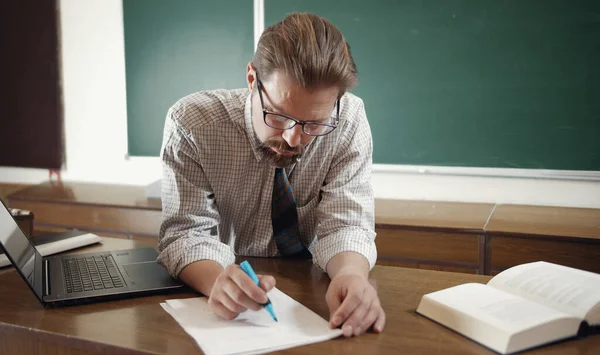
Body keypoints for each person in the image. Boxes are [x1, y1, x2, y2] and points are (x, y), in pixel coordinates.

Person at [158, 12, 385, 337]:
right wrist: (216, 280)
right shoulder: (193, 125)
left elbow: (346, 225)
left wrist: (351, 275)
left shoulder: (347, 121)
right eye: (279, 116)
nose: (294, 139)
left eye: (315, 123)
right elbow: (185, 234)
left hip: (312, 291)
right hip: (226, 293)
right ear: (253, 80)